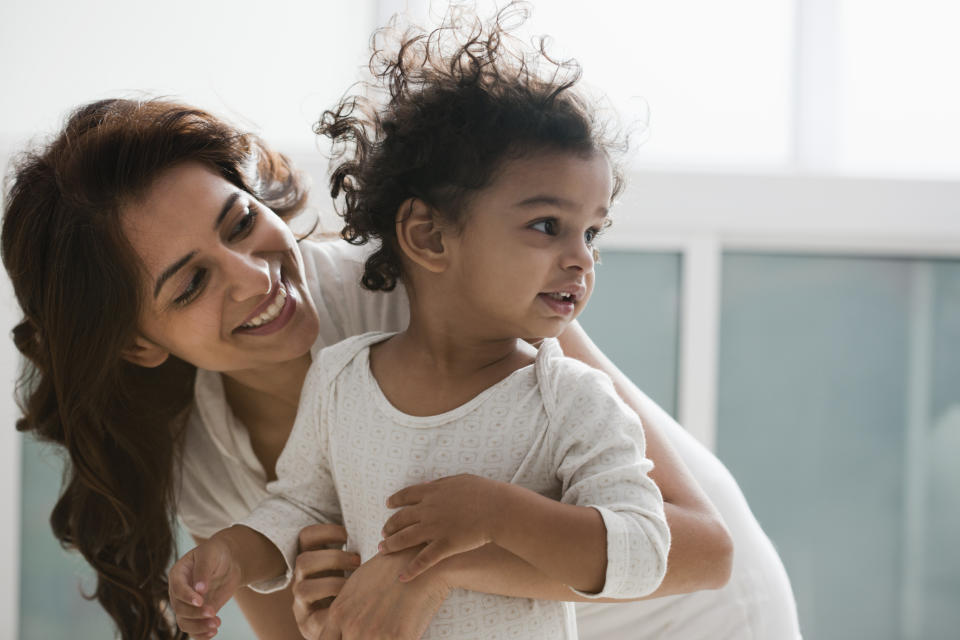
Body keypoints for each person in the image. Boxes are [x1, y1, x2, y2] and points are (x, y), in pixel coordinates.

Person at [0, 12, 797, 640]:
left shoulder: (421, 287)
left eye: (240, 222)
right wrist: (330, 615)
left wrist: (429, 567)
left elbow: (696, 549)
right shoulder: (208, 459)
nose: (255, 274)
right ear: (138, 342)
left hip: (693, 620)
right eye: (193, 282)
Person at [167, 22, 674, 633]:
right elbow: (298, 506)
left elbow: (644, 551)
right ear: (429, 236)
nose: (581, 259)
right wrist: (232, 554)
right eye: (547, 225)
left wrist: (499, 514)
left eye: (592, 233)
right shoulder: (341, 378)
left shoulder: (570, 399)